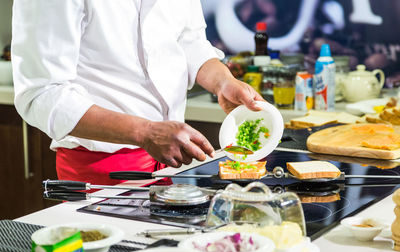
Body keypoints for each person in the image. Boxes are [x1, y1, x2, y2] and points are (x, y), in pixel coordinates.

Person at [11, 0, 264, 186]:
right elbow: (42, 93)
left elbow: (189, 40)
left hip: (171, 167)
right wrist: (145, 132)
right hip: (100, 173)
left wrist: (223, 81)